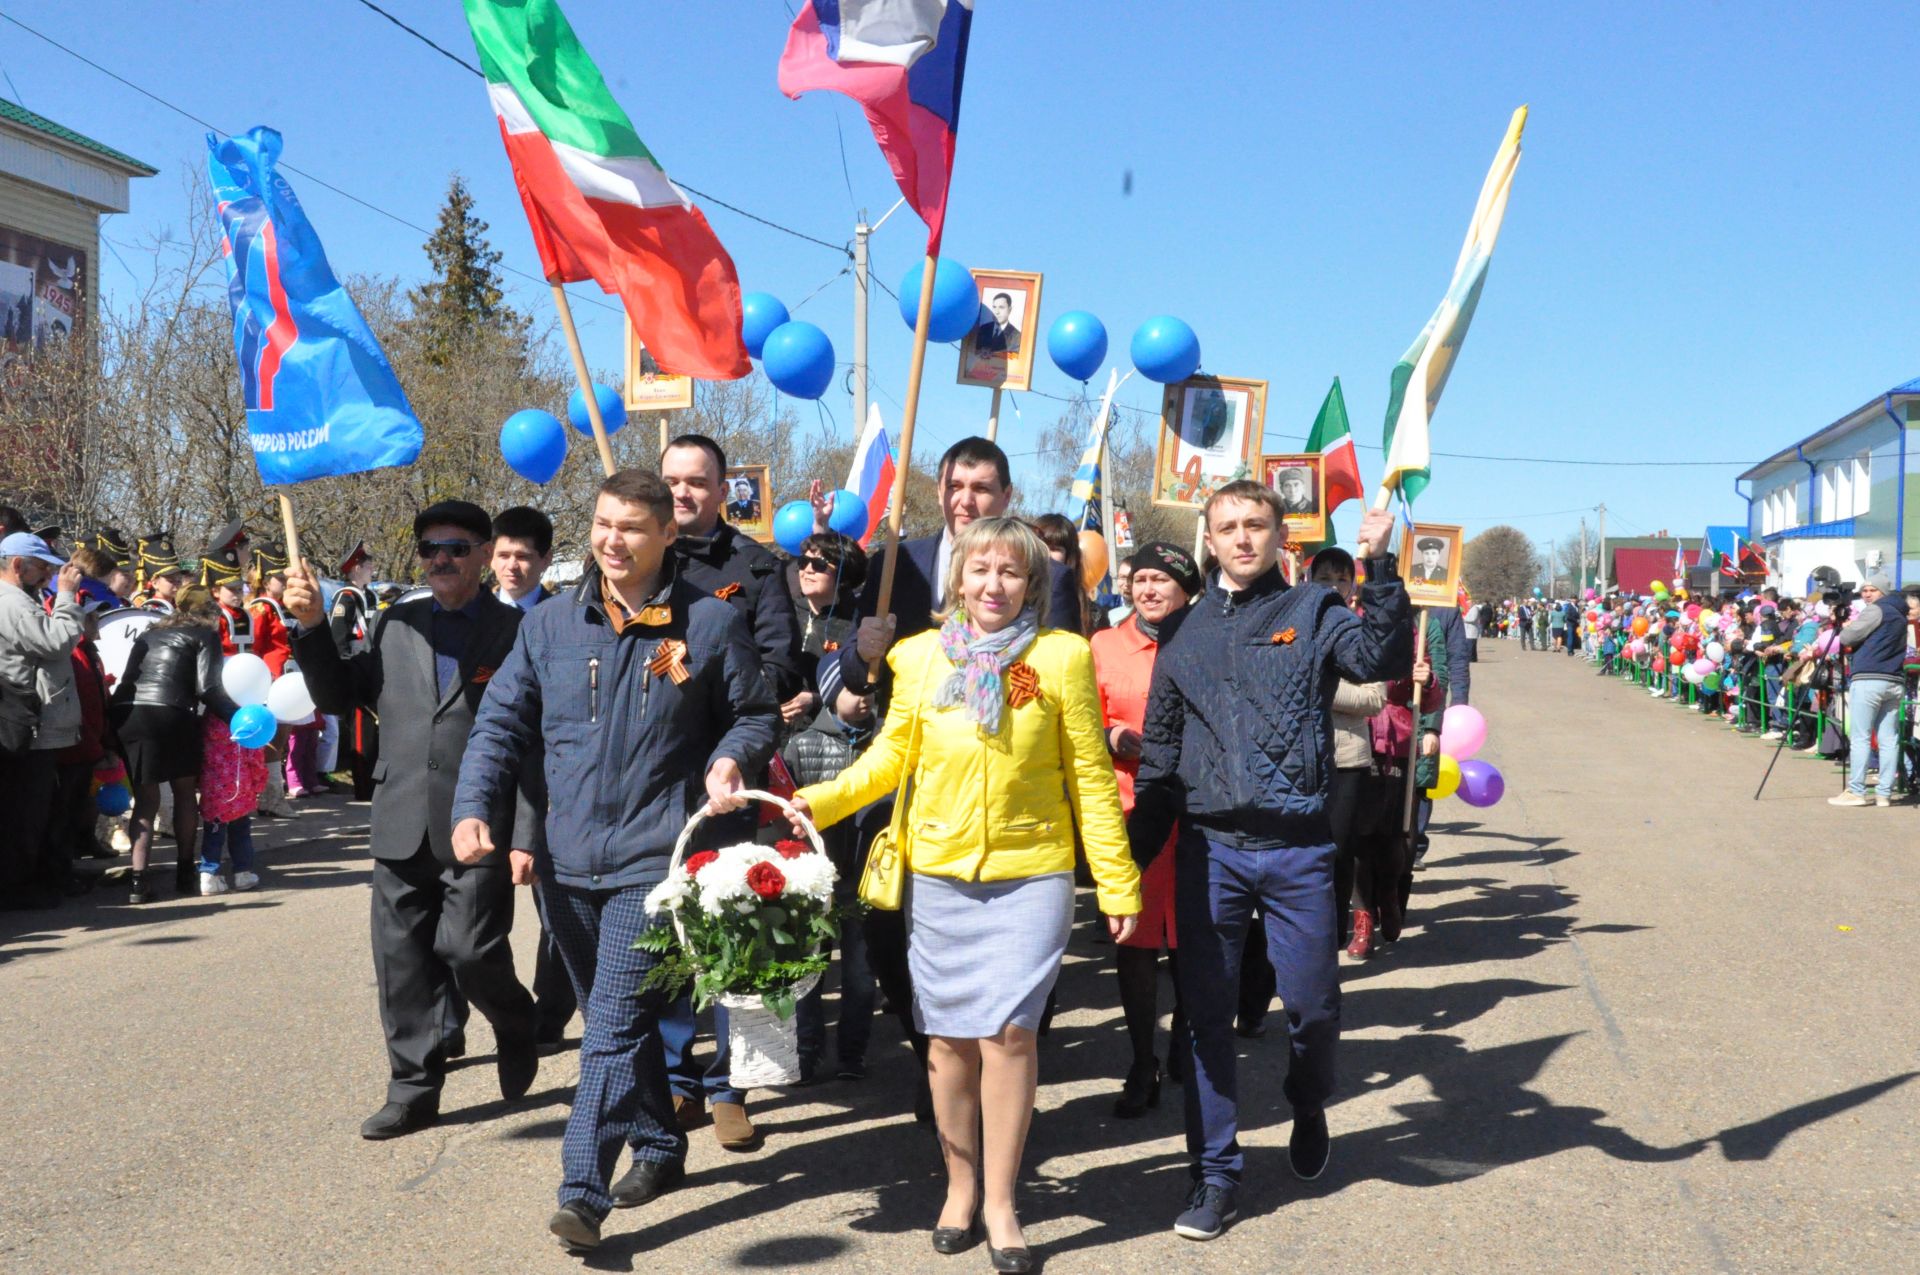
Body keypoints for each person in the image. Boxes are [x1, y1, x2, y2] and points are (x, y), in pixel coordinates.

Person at [789, 516, 1141, 1271]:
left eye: (1010, 573)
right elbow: (887, 760)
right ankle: (959, 1184)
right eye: (980, 570)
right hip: (941, 873)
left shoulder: (1062, 656)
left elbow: (1089, 776)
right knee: (947, 1040)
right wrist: (814, 803)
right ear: (958, 579)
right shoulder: (918, 658)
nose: (993, 585)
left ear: (1031, 584)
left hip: (1032, 874)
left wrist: (1116, 877)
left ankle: (1003, 1201)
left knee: (1010, 1034)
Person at [452, 469, 777, 1254]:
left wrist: (732, 757)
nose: (613, 540)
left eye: (632, 527)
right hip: (567, 864)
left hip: (656, 860)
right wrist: (472, 805)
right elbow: (500, 724)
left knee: (611, 1024)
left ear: (668, 533)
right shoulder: (552, 625)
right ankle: (662, 1145)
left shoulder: (707, 624)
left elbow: (754, 712)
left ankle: (581, 1191)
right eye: (603, 523)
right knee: (617, 1023)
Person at [1128, 480, 1409, 1242]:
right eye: (1228, 526)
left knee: (1313, 1006)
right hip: (1211, 850)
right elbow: (1159, 754)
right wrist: (1128, 861)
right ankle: (1214, 1175)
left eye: (1257, 524)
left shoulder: (1314, 612)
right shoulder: (1181, 632)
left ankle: (1307, 1097)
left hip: (1297, 849)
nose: (1243, 537)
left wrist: (1381, 569)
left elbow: (1379, 657)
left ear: (1281, 536)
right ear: (1209, 541)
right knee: (1204, 1017)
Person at [834, 437, 1086, 1122]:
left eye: (980, 487)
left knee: (1015, 967)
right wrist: (866, 657)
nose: (965, 499)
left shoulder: (1045, 575)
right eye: (954, 485)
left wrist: (986, 671)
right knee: (887, 929)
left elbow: (1055, 680)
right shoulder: (897, 564)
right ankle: (936, 1056)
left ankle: (1000, 1056)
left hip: (1008, 788)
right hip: (906, 776)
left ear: (1005, 497)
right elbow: (862, 676)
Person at [285, 500, 542, 1140]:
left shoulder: (519, 632)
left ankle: (516, 1020)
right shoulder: (396, 623)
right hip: (401, 816)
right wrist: (313, 627)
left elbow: (539, 742)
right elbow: (340, 697)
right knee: (401, 963)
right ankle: (412, 1088)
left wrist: (529, 836)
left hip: (480, 823)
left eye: (455, 547)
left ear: (485, 553)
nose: (441, 559)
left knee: (470, 949)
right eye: (429, 548)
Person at [657, 433, 802, 1149]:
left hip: (728, 771)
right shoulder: (639, 560)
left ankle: (729, 1085)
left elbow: (778, 665)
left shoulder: (758, 567)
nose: (683, 493)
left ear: (723, 491)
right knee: (669, 930)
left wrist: (710, 687)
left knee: (728, 926)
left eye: (697, 482)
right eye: (673, 481)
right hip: (652, 774)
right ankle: (676, 1078)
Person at [1091, 541, 1200, 1118]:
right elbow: (1084, 717)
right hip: (1129, 809)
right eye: (1142, 580)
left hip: (1195, 811)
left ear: (1187, 590)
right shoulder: (1104, 645)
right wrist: (1111, 736)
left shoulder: (1204, 639)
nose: (1149, 590)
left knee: (1190, 938)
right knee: (1132, 940)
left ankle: (1186, 1038)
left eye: (1163, 581)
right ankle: (1141, 1060)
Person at [785, 530, 879, 1082]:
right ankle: (805, 1051)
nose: (809, 568)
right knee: (811, 967)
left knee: (861, 973)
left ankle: (854, 1054)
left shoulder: (883, 740)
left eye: (823, 563)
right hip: (814, 872)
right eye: (804, 559)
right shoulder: (800, 744)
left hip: (865, 870)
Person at [109, 586, 238, 903]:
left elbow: (130, 679)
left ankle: (138, 881)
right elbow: (208, 688)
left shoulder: (151, 632)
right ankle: (184, 871)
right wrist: (239, 716)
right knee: (183, 792)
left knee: (145, 799)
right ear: (208, 612)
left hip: (128, 714)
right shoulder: (204, 634)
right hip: (172, 714)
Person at [0, 532, 85, 909]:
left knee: (32, 807)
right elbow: (56, 642)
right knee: (26, 810)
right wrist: (66, 596)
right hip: (24, 720)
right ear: (17, 564)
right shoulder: (12, 602)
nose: (49, 579)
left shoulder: (19, 599)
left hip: (28, 717)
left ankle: (26, 880)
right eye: (43, 570)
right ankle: (19, 887)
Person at [1829, 573, 1907, 807]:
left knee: (1861, 737)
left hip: (1869, 678)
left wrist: (1845, 626)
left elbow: (1847, 637)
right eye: (1864, 590)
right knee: (1888, 739)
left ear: (1882, 591)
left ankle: (1857, 791)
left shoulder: (1875, 610)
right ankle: (1884, 793)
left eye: (1872, 590)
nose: (1867, 594)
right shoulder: (1900, 615)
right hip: (1893, 679)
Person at [330, 540, 382, 802]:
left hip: (374, 666)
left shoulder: (370, 595)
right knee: (362, 733)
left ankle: (375, 781)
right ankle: (363, 786)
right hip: (356, 669)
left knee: (376, 732)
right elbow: (338, 638)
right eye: (368, 564)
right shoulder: (346, 597)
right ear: (356, 568)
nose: (372, 568)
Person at [972, 291, 1020, 355]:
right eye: (994, 307)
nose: (997, 312)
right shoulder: (983, 329)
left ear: (1009, 309)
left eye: (1001, 307)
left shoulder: (1016, 336)